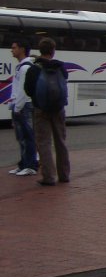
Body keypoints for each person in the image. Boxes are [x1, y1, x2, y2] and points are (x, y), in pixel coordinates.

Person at [24, 37, 70, 186]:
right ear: (53, 51)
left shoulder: (34, 69)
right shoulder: (61, 68)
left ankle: (48, 176)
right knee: (61, 141)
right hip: (59, 109)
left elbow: (28, 89)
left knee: (44, 142)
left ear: (40, 50)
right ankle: (64, 175)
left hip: (40, 109)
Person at [8, 38, 39, 177]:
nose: (12, 50)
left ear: (21, 49)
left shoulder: (25, 67)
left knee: (27, 136)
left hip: (23, 106)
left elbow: (23, 90)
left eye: (14, 47)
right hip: (19, 105)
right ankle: (23, 164)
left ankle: (31, 165)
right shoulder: (20, 66)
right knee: (21, 137)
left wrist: (17, 107)